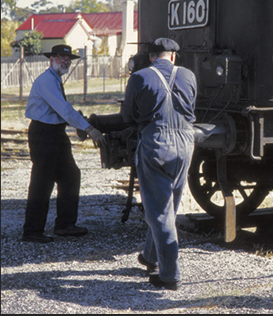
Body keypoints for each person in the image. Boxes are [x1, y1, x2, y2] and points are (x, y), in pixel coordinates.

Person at [121, 38, 197, 291]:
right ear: (173, 57)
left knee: (158, 210)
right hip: (186, 142)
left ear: (152, 57)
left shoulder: (140, 77)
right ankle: (151, 256)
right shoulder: (189, 76)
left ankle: (170, 275)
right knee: (169, 207)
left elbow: (127, 116)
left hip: (156, 142)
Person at [22, 44, 106, 244]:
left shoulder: (55, 79)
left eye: (68, 59)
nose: (65, 62)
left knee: (70, 175)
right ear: (51, 59)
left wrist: (81, 122)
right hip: (44, 133)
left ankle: (65, 225)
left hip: (56, 133)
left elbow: (64, 112)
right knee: (42, 182)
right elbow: (63, 109)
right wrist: (89, 129)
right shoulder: (46, 81)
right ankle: (32, 231)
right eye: (61, 58)